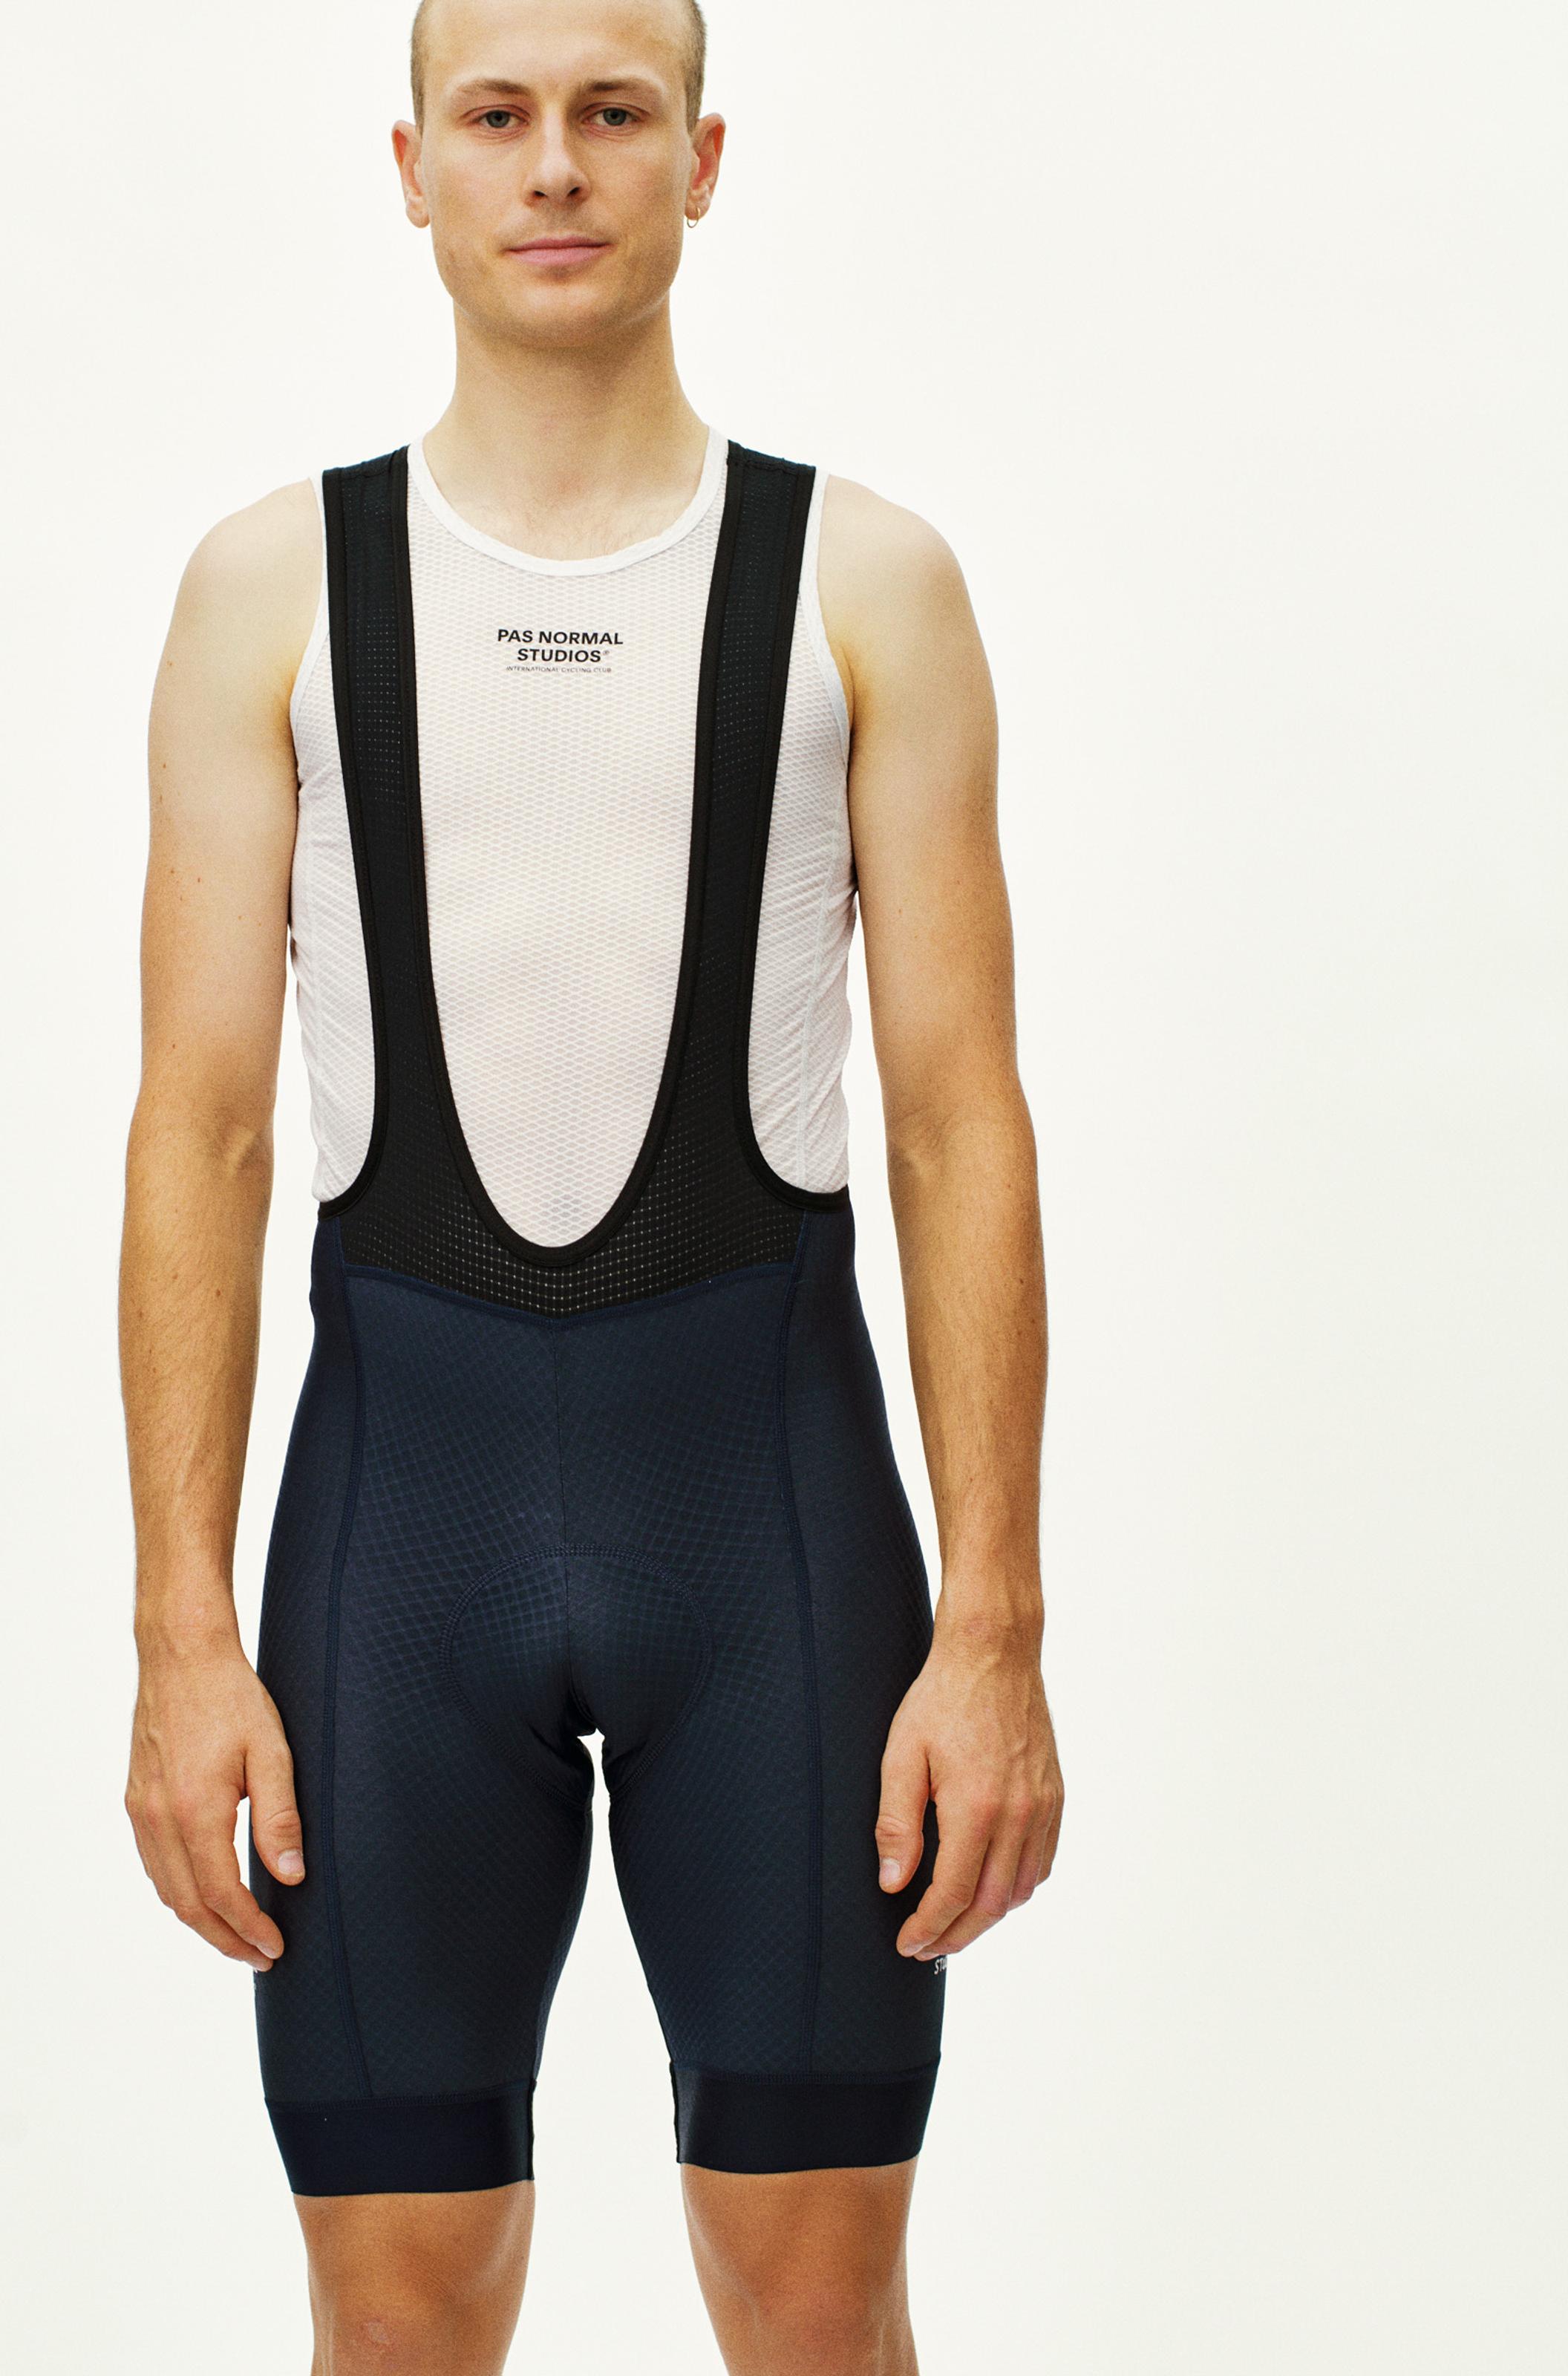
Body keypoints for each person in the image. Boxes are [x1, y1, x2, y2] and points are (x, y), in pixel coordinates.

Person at [118, 2, 1064, 2366]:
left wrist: (996, 1636)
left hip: (773, 1546)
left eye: (614, 114)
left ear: (701, 160)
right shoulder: (271, 589)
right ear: (414, 164)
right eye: (502, 116)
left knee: (816, 2304)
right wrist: (179, 1641)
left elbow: (960, 1119)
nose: (556, 166)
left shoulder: (869, 582)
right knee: (399, 2312)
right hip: (394, 1556)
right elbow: (201, 1129)